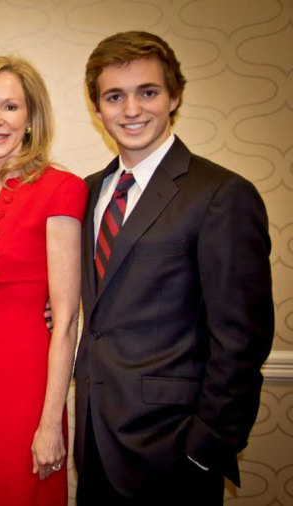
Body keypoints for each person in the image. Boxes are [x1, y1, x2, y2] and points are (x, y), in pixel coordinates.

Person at [74, 31, 275, 505]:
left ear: (174, 97)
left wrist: (207, 449)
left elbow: (242, 340)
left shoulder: (221, 195)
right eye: (114, 97)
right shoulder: (84, 194)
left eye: (148, 92)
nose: (131, 110)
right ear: (97, 109)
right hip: (95, 437)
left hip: (174, 449)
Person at [0, 55, 87, 505]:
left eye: (10, 107)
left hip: (28, 381)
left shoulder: (62, 188)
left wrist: (50, 421)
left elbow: (64, 318)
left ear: (31, 118)